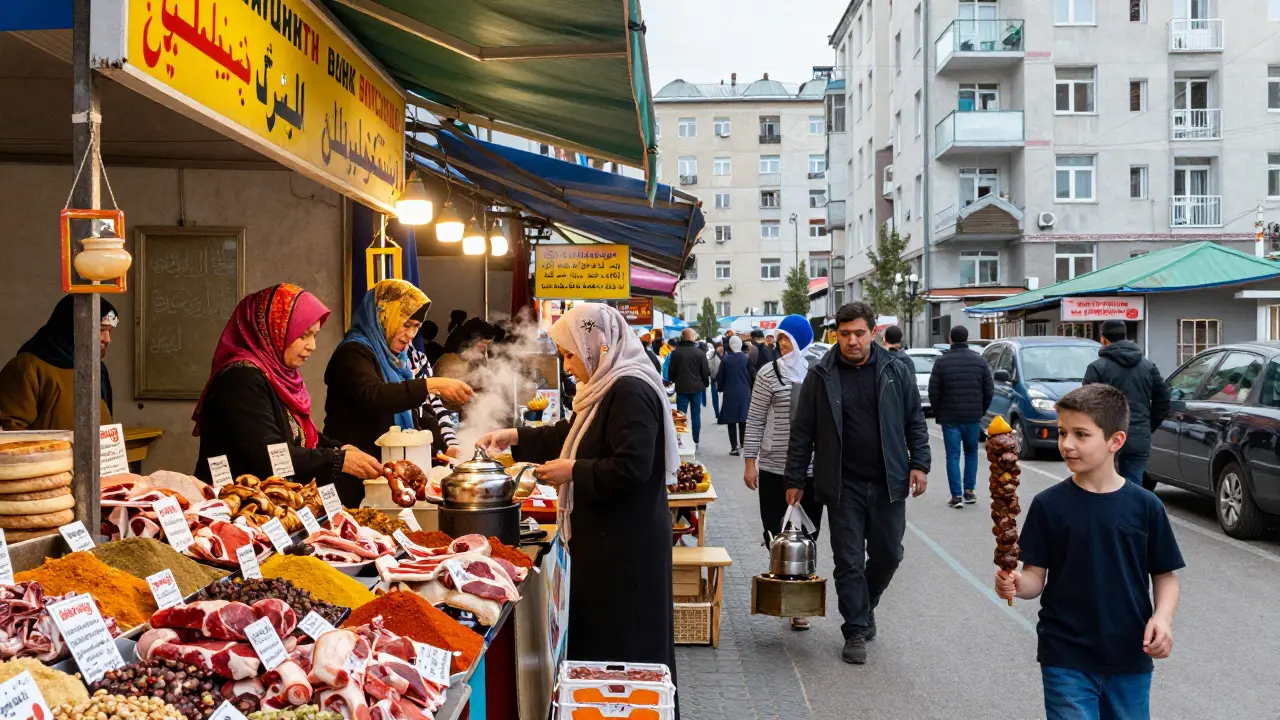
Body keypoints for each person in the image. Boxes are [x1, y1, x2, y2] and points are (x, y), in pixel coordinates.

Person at [475, 304, 679, 691]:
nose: (567, 365)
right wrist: (514, 437)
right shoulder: (607, 387)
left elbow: (632, 467)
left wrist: (573, 472)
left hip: (626, 549)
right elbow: (571, 435)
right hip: (608, 543)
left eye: (570, 354)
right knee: (605, 646)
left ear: (597, 347)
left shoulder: (630, 389)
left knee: (627, 651)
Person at [996, 384, 1184, 720]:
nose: (1067, 444)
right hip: (1065, 655)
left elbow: (1165, 577)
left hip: (1129, 656)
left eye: (1081, 434)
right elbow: (1034, 578)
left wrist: (1162, 618)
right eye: (1063, 432)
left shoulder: (1146, 507)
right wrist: (1015, 583)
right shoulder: (1048, 505)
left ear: (1116, 441)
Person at [785, 301, 930, 665]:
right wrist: (795, 477)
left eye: (859, 333)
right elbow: (803, 431)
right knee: (848, 561)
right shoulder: (821, 374)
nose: (852, 341)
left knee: (889, 555)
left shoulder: (896, 370)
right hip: (842, 483)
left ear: (873, 333)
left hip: (888, 482)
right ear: (836, 334)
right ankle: (854, 630)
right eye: (845, 333)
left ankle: (866, 606)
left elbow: (915, 420)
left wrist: (920, 464)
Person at [193, 284, 383, 493]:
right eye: (304, 335)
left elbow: (298, 434)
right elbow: (268, 455)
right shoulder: (241, 378)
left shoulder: (277, 374)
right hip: (236, 506)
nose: (312, 345)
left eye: (314, 335)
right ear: (275, 330)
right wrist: (338, 460)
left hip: (270, 501)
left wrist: (338, 448)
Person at [323, 280, 474, 504]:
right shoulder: (353, 353)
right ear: (383, 316)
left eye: (416, 327)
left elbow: (416, 415)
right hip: (355, 479)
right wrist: (433, 384)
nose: (411, 334)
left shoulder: (397, 361)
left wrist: (445, 448)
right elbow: (376, 395)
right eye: (406, 324)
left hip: (386, 480)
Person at [743, 315, 823, 631]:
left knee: (808, 534)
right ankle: (781, 582)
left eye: (788, 339)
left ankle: (799, 605)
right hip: (774, 465)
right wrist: (750, 461)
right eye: (780, 339)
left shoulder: (819, 373)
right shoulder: (768, 373)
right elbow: (755, 418)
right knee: (774, 532)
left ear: (802, 340)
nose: (782, 345)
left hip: (813, 468)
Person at [0, 296, 118, 430]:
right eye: (101, 330)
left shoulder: (97, 369)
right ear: (72, 327)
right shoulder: (28, 367)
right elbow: (10, 432)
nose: (107, 339)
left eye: (109, 331)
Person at [1082, 320, 1171, 487]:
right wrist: (1146, 425)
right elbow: (1163, 401)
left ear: (1103, 339)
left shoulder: (1097, 368)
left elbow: (1086, 406)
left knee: (1102, 488)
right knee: (1133, 488)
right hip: (1138, 437)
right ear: (1125, 337)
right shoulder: (1148, 366)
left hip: (1105, 438)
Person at [928, 325, 995, 509]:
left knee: (953, 455)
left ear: (951, 339)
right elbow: (989, 390)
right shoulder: (979, 361)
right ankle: (969, 491)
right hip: (973, 416)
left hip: (950, 417)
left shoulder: (942, 362)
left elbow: (933, 391)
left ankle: (956, 496)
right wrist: (981, 409)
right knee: (972, 453)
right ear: (967, 338)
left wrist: (938, 411)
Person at [667, 329, 710, 445]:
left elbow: (671, 372)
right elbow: (705, 372)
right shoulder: (700, 353)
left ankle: (680, 438)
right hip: (697, 388)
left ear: (683, 338)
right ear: (693, 338)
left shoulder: (676, 353)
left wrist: (674, 380)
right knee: (696, 414)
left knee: (681, 414)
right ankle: (695, 439)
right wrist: (705, 383)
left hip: (681, 388)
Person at [717, 336, 752, 455]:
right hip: (744, 391)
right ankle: (743, 444)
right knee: (743, 419)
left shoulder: (726, 360)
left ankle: (734, 447)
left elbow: (720, 376)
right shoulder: (746, 358)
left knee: (731, 420)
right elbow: (753, 375)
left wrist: (721, 388)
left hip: (730, 392)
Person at [708, 340, 723, 421]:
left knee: (717, 398)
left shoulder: (724, 354)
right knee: (715, 398)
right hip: (715, 379)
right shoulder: (712, 355)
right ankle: (718, 414)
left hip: (717, 379)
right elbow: (710, 368)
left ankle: (720, 414)